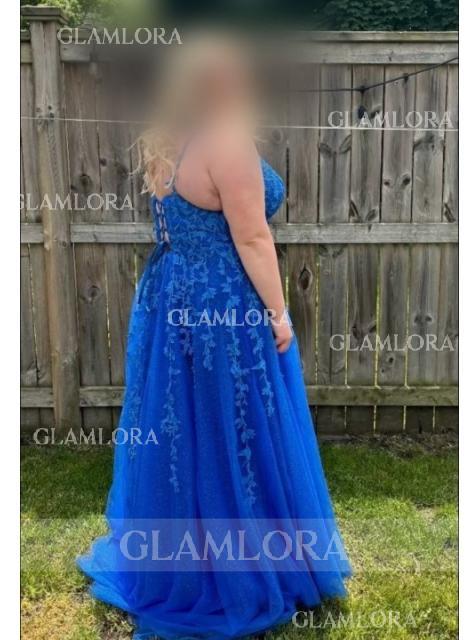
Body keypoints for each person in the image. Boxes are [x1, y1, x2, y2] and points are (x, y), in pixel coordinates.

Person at [78, 37, 351, 639]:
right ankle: (244, 573)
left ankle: (183, 559)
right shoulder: (226, 142)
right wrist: (279, 314)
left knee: (186, 429)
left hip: (172, 298)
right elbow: (252, 238)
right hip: (223, 306)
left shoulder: (164, 141)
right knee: (237, 426)